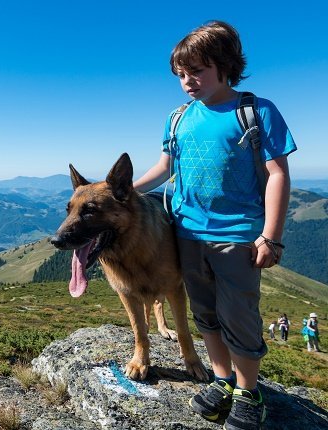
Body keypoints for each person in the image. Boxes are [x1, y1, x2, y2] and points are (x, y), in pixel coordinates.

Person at [134, 20, 296, 430]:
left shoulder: (255, 111)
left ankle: (248, 392)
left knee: (238, 316)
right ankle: (222, 380)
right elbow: (165, 169)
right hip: (186, 232)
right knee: (205, 313)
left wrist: (271, 236)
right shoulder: (178, 118)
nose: (188, 82)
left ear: (225, 65)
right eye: (181, 74)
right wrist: (117, 192)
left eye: (198, 71)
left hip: (238, 235)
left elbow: (277, 174)